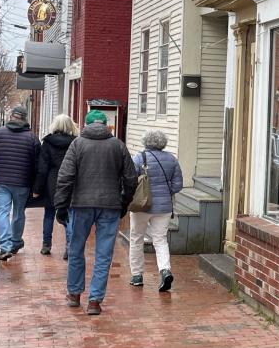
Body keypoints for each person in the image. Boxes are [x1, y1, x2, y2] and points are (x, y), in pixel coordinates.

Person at [54, 110, 137, 315]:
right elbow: (131, 178)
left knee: (76, 249)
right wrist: (123, 202)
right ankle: (95, 301)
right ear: (106, 125)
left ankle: (74, 294)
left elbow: (65, 177)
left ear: (86, 124)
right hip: (110, 206)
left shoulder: (77, 144)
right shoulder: (118, 145)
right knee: (103, 254)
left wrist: (61, 206)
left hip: (80, 205)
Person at [0, 104, 41, 261]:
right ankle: (15, 242)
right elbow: (39, 164)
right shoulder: (32, 138)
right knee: (18, 213)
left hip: (2, 181)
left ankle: (5, 246)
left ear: (11, 117)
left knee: (2, 212)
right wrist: (36, 185)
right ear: (25, 120)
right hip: (23, 182)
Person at [129, 129, 183, 292]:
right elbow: (178, 184)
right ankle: (165, 270)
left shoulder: (139, 158)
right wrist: (166, 193)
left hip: (141, 207)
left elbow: (131, 181)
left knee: (137, 238)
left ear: (145, 141)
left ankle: (137, 275)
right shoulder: (171, 159)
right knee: (160, 240)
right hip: (164, 207)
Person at [33, 114, 79, 258]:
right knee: (69, 215)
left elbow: (42, 168)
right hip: (70, 182)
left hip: (51, 183)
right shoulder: (76, 142)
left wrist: (37, 188)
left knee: (49, 214)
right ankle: (70, 246)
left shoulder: (47, 142)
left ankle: (46, 245)